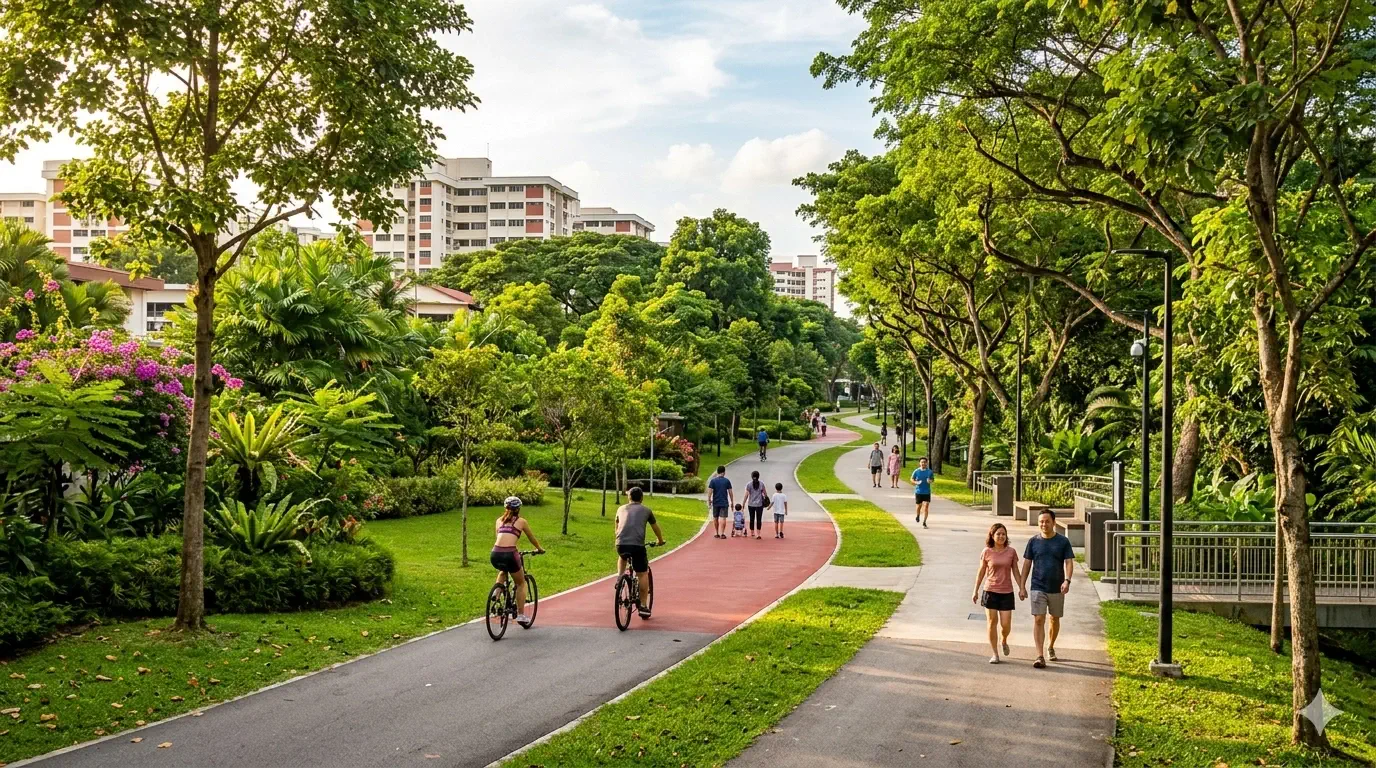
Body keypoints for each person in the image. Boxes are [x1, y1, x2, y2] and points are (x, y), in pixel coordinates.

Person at [1018, 510, 1076, 669]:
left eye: (1047, 521)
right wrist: (1022, 586)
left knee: (1054, 618)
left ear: (1053, 522)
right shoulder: (1033, 542)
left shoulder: (1063, 541)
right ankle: (1039, 655)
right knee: (1038, 619)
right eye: (1041, 522)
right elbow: (1027, 564)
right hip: (1038, 586)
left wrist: (1067, 580)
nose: (1044, 524)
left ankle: (1050, 646)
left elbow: (1069, 562)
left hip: (1057, 587)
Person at [490, 497, 544, 628]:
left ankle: (496, 594)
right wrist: (539, 549)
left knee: (503, 571)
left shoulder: (499, 521)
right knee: (521, 583)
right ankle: (520, 615)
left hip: (495, 553)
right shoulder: (522, 521)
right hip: (510, 554)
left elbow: (501, 538)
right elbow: (532, 538)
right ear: (518, 509)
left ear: (505, 508)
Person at [973, 523, 1020, 663]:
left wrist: (1021, 587)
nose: (1001, 536)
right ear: (992, 536)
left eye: (1003, 534)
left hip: (1006, 592)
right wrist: (975, 590)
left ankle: (1004, 639)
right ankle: (995, 654)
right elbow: (981, 572)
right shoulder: (986, 552)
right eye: (998, 534)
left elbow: (1016, 571)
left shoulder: (1011, 552)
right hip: (990, 591)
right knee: (992, 622)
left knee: (1006, 625)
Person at [615, 487, 665, 618]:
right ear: (642, 498)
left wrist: (618, 537)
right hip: (637, 546)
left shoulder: (620, 509)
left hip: (620, 543)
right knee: (642, 573)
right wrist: (660, 540)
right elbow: (655, 527)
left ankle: (620, 578)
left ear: (629, 497)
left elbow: (617, 524)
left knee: (622, 556)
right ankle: (643, 606)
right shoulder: (647, 510)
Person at [707, 465, 734, 539]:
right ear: (724, 472)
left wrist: (709, 500)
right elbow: (730, 492)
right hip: (724, 502)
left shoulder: (713, 481)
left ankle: (716, 532)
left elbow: (710, 491)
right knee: (723, 518)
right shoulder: (727, 481)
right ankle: (722, 533)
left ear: (717, 472)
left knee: (715, 517)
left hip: (716, 502)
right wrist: (732, 502)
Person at [743, 470, 769, 539]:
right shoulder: (761, 484)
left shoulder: (749, 484)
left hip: (751, 504)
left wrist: (743, 503)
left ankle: (752, 532)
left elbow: (746, 495)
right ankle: (758, 534)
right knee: (759, 519)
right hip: (759, 504)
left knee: (752, 518)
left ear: (752, 477)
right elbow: (765, 494)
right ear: (758, 476)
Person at [911, 457, 935, 527]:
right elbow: (912, 479)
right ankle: (918, 515)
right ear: (919, 463)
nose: (923, 463)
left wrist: (929, 481)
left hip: (927, 492)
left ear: (926, 463)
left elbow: (932, 479)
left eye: (924, 462)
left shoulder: (929, 471)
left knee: (926, 506)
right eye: (922, 462)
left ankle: (924, 522)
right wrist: (916, 482)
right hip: (918, 491)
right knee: (919, 506)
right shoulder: (916, 471)